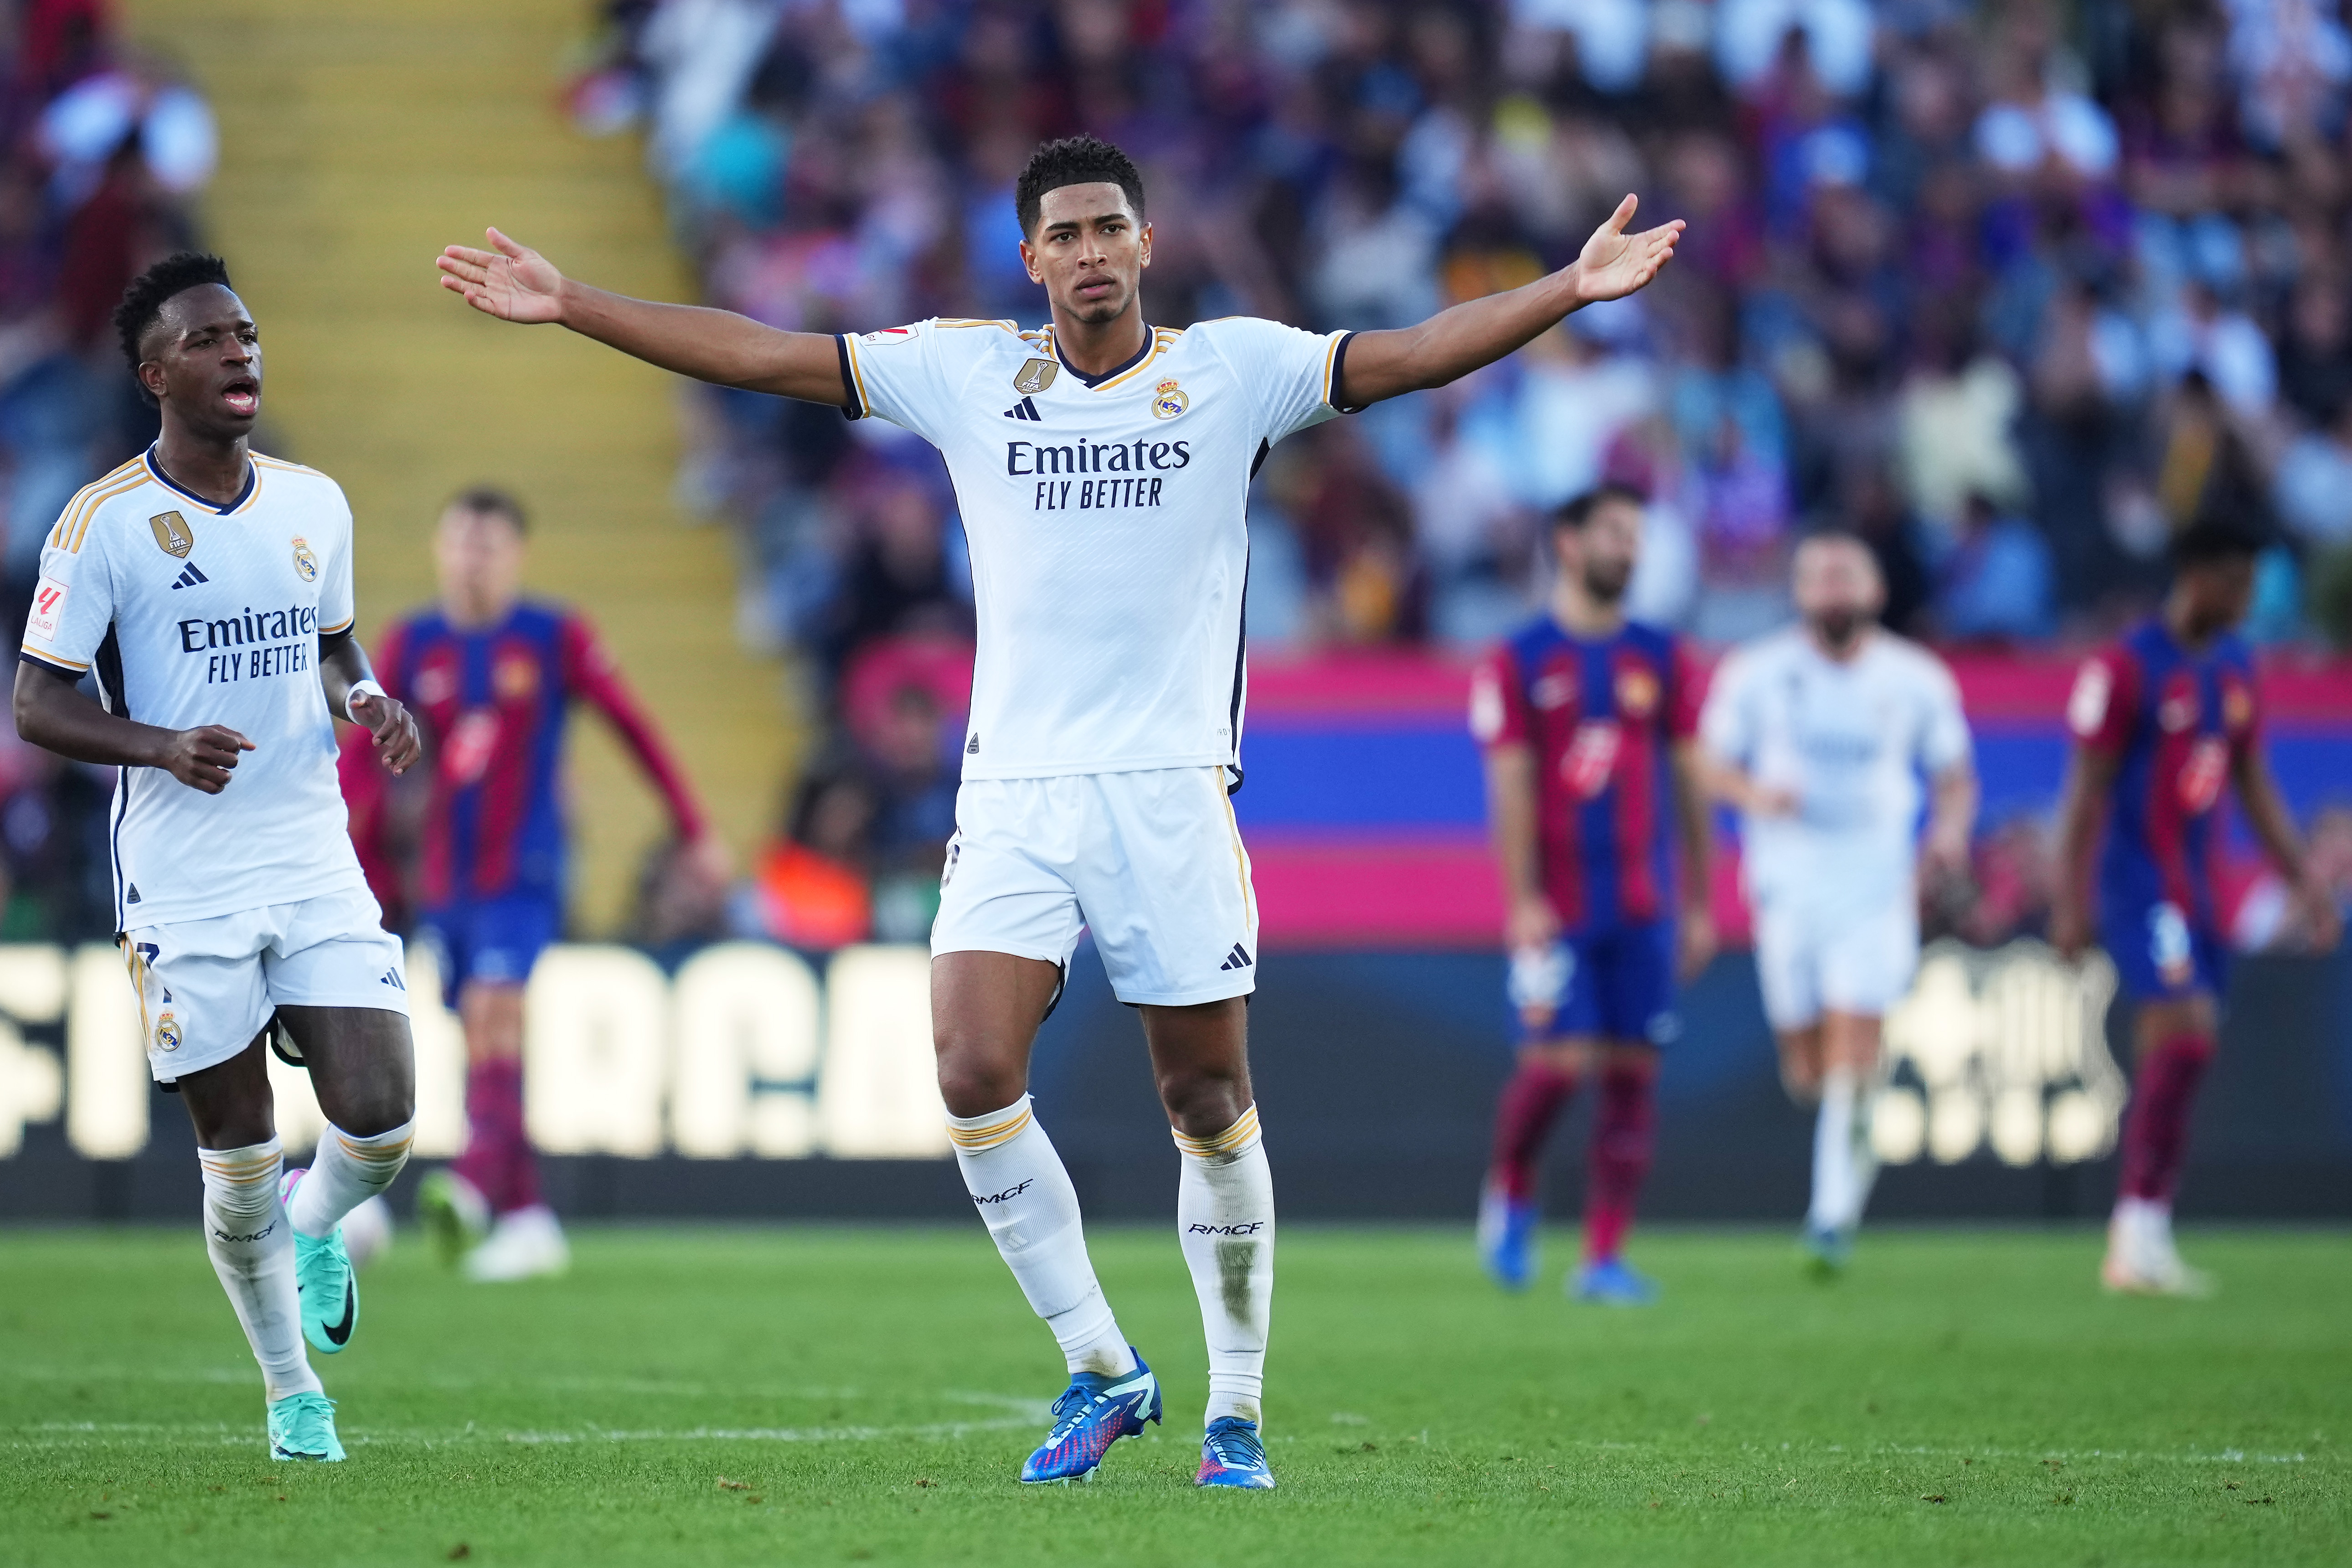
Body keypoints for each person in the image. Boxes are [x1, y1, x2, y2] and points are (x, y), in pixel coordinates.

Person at [438, 132, 1681, 1490]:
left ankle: (1238, 1408)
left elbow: (1413, 351)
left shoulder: (1236, 371)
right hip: (1015, 790)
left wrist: (1565, 289)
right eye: (1065, 235)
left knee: (1206, 1101)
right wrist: (578, 307)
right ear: (1030, 259)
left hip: (1169, 794)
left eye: (1110, 229)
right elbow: (763, 353)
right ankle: (1102, 1363)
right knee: (971, 1073)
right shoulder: (970, 373)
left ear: (1147, 244)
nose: (1090, 253)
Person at [13, 253, 423, 1461]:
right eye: (207, 340)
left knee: (385, 1118)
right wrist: (159, 743)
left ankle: (321, 1221)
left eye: (245, 333)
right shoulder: (103, 525)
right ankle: (294, 1393)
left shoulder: (315, 505)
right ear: (154, 374)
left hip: (308, 845)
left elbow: (337, 646)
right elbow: (37, 703)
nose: (239, 351)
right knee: (235, 1153)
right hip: (184, 877)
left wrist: (370, 701)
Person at [377, 488, 721, 1281]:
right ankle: (529, 1217)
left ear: (517, 556)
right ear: (440, 551)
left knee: (500, 1012)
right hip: (443, 881)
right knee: (482, 1034)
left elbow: (634, 727)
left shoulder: (554, 637)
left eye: (490, 545)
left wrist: (694, 828)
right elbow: (366, 763)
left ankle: (469, 1185)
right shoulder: (411, 645)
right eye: (462, 543)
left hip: (525, 870)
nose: (474, 559)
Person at [2051, 517, 2342, 1295]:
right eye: (2239, 582)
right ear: (2198, 576)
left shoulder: (2236, 668)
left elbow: (2254, 784)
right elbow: (2084, 791)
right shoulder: (2126, 667)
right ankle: (2135, 1233)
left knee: (2187, 1049)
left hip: (2198, 884)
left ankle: (2145, 1226)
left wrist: (2306, 883)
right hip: (2137, 881)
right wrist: (2068, 900)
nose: (2249, 598)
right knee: (2185, 1028)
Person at [1697, 532, 1978, 1274]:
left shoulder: (1917, 678)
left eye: (1846, 574)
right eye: (1817, 576)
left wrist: (1948, 835)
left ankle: (1830, 1219)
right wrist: (1756, 794)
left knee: (1857, 1046)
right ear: (1798, 594)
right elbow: (1706, 762)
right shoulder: (1756, 673)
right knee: (1808, 1067)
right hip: (1786, 882)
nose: (1832, 588)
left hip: (1876, 881)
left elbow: (1954, 776)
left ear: (1875, 591)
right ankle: (1842, 1151)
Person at [1468, 483, 1713, 1305]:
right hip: (1561, 906)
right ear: (1569, 544)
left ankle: (1603, 1257)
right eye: (1613, 532)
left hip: (1642, 904)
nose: (1630, 549)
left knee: (1634, 1074)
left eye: (1637, 534)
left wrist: (1704, 902)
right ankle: (1511, 1187)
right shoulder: (1520, 659)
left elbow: (1689, 783)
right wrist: (1522, 899)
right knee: (1557, 1067)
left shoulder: (1665, 657)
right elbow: (1509, 782)